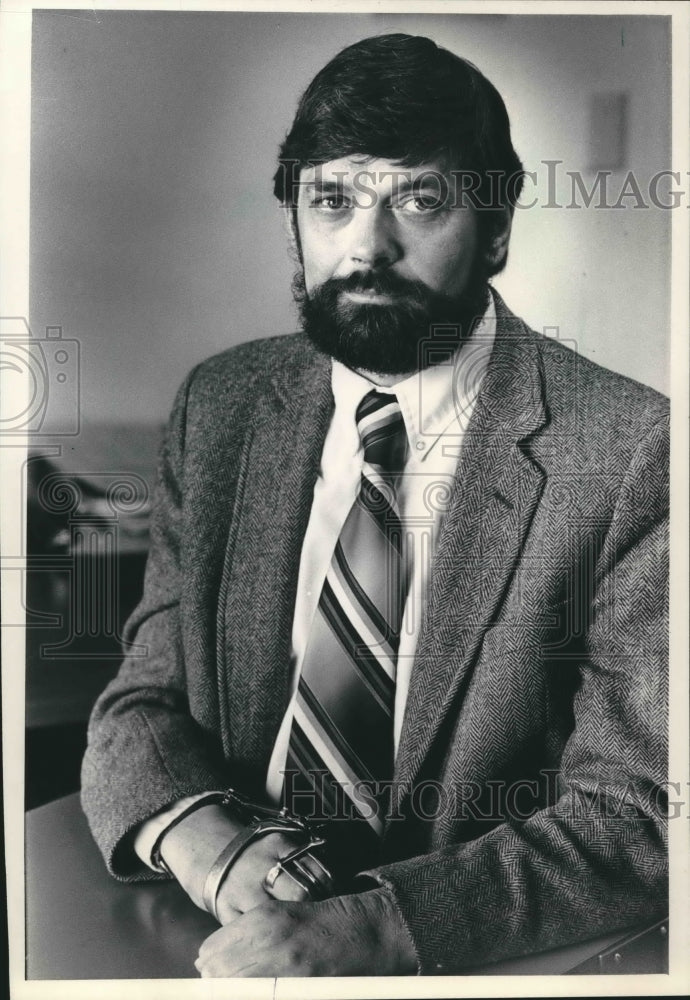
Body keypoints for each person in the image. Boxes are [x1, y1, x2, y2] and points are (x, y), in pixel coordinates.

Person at [81, 33, 668, 977]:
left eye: (420, 200)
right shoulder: (222, 407)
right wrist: (210, 846)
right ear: (294, 226)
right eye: (333, 200)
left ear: (498, 227)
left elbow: (639, 814)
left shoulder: (635, 450)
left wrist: (380, 927)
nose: (367, 245)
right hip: (212, 938)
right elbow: (142, 700)